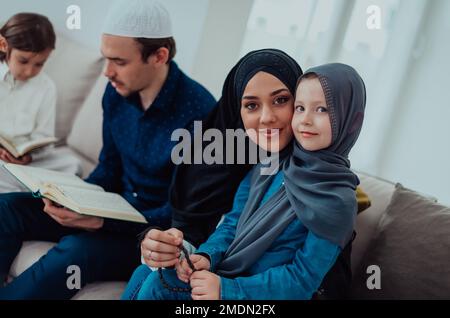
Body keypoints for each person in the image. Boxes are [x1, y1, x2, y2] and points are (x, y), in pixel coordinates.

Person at [0, 0, 216, 299]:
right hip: (110, 208)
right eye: (105, 59)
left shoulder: (202, 116)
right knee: (7, 208)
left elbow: (184, 217)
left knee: (74, 251)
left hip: (147, 235)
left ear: (159, 56)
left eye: (119, 62)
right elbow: (109, 169)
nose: (107, 72)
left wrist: (102, 221)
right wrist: (74, 201)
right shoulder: (116, 94)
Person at [124, 62, 366, 300]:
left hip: (257, 293)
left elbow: (303, 280)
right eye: (300, 108)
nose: (305, 120)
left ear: (350, 120)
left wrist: (228, 290)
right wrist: (207, 256)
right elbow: (232, 224)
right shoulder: (272, 163)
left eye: (322, 110)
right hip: (231, 274)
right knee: (151, 275)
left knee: (159, 284)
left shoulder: (337, 199)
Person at [0, 13, 81, 193]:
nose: (29, 71)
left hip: (26, 160)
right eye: (23, 61)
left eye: (39, 64)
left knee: (72, 164)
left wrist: (28, 157)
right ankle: (24, 187)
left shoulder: (46, 87)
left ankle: (19, 184)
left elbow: (43, 138)